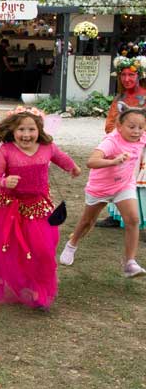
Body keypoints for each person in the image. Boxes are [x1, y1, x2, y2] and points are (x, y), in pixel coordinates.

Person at [0, 107, 80, 309]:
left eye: (31, 129)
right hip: (9, 209)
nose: (26, 135)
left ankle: (39, 288)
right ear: (12, 130)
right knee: (10, 249)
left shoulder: (47, 147)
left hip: (39, 208)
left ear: (39, 130)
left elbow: (61, 157)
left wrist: (72, 167)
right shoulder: (6, 151)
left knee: (44, 249)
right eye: (21, 129)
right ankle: (0, 277)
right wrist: (4, 182)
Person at [60, 105, 146, 277]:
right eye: (131, 127)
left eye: (141, 127)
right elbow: (91, 161)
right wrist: (113, 162)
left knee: (133, 219)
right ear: (119, 126)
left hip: (124, 185)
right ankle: (72, 243)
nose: (137, 131)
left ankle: (129, 262)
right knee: (87, 221)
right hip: (101, 187)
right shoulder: (111, 141)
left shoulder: (142, 137)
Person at [96, 59, 146, 228]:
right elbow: (110, 123)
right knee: (117, 178)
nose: (126, 79)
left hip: (142, 147)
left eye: (131, 75)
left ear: (139, 76)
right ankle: (117, 216)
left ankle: (141, 219)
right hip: (122, 145)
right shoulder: (120, 97)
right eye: (123, 75)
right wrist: (117, 138)